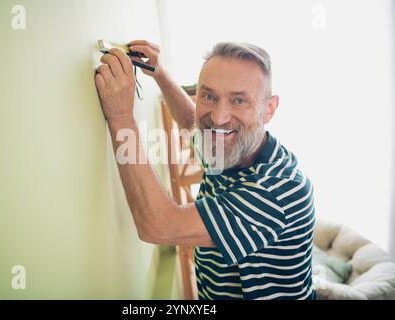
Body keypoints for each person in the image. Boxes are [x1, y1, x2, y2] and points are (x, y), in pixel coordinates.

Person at [94, 40, 316, 300]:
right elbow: (194, 125)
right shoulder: (233, 147)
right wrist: (161, 75)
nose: (219, 117)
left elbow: (158, 225)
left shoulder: (275, 191)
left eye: (239, 100)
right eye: (209, 96)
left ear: (268, 109)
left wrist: (121, 116)